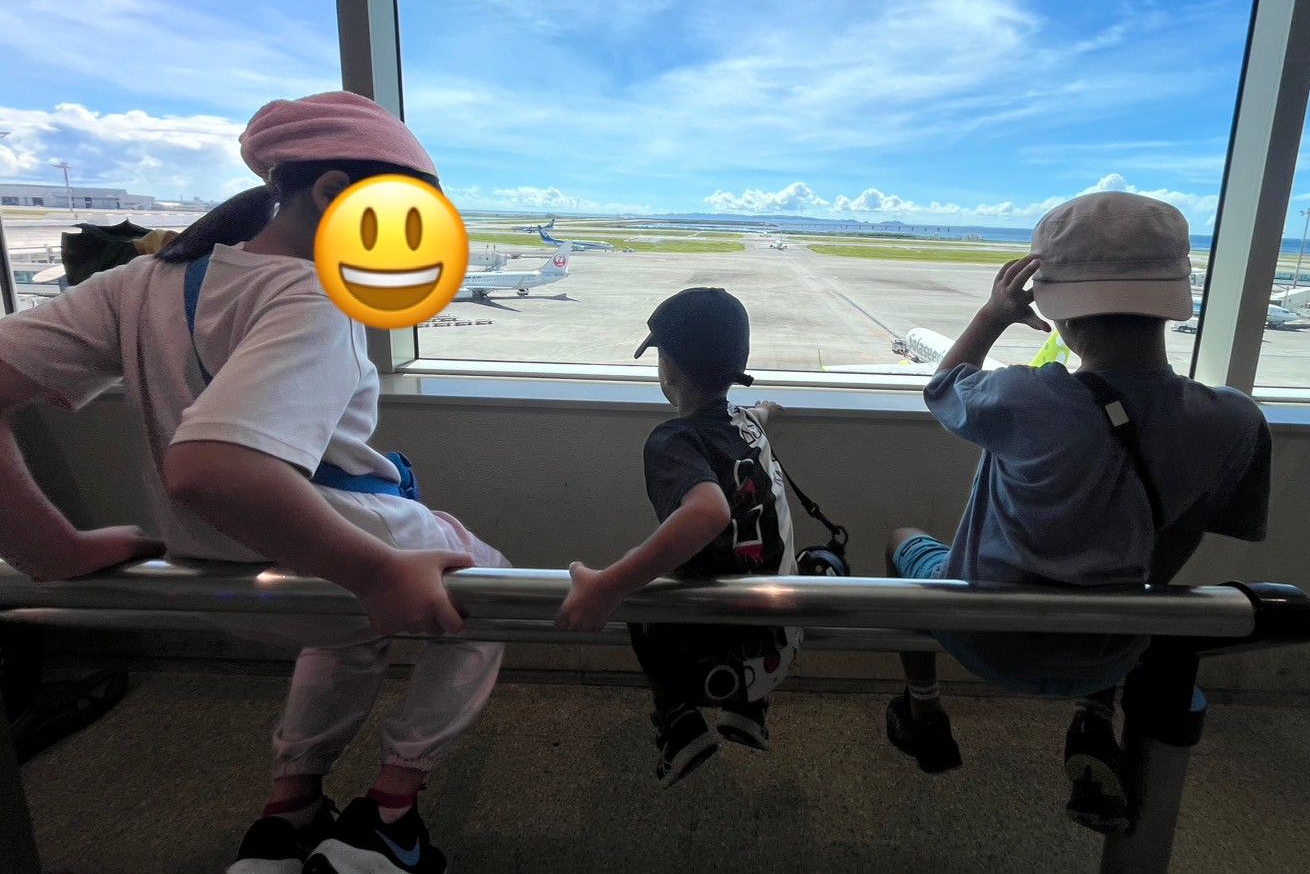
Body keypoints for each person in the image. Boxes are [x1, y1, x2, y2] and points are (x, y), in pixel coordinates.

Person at [0, 91, 508, 874]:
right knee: (490, 591)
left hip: (213, 573)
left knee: (349, 628)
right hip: (331, 539)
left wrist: (48, 551)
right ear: (334, 192)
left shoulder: (140, 284)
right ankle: (390, 815)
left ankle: (290, 811)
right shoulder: (313, 292)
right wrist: (375, 571)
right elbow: (214, 469)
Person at [884, 192, 1270, 836]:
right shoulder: (1234, 420)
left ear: (1059, 313)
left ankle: (923, 708)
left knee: (902, 540)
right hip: (1113, 647)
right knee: (1124, 564)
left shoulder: (1023, 395)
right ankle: (1094, 717)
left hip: (986, 636)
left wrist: (993, 314)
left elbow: (943, 386)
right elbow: (1181, 540)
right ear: (1170, 303)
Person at [555, 288, 801, 786]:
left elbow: (707, 512)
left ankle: (679, 722)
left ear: (667, 366)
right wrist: (765, 411)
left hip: (711, 658)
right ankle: (749, 711)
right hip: (783, 642)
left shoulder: (674, 440)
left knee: (639, 583)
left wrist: (609, 585)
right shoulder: (747, 426)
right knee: (754, 557)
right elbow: (751, 419)